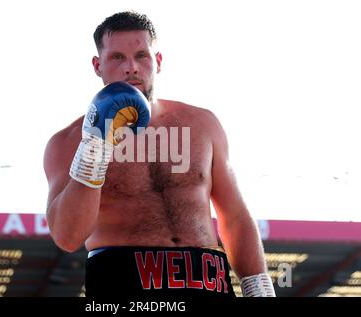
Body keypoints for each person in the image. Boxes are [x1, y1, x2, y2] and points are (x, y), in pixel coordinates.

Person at [44, 11, 275, 297]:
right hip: (123, 290)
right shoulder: (67, 142)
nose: (131, 67)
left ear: (158, 62)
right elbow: (67, 237)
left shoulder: (202, 125)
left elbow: (235, 217)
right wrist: (95, 145)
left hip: (208, 283)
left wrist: (259, 290)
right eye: (117, 57)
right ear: (97, 65)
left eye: (142, 55)